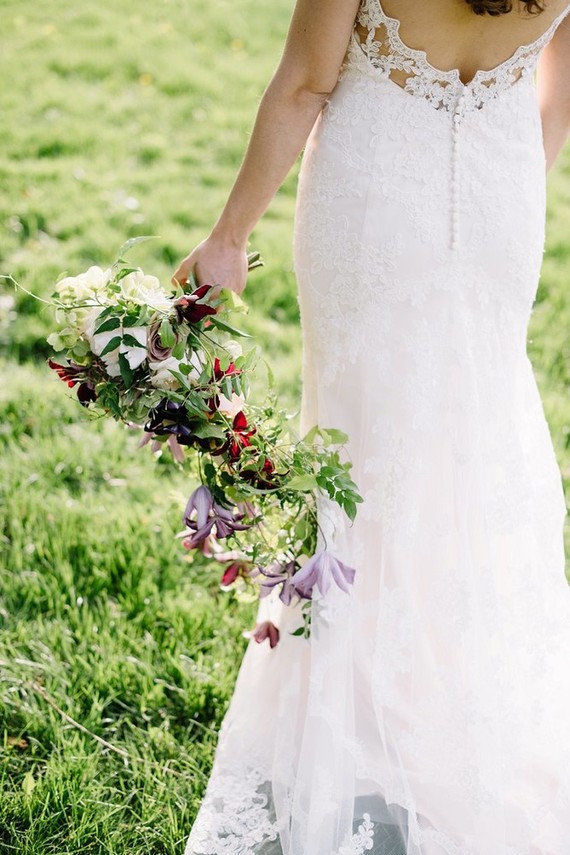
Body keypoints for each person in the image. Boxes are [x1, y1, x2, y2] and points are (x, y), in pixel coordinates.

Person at [175, 1, 570, 852]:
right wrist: (501, 171)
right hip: (503, 200)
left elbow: (305, 84)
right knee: (471, 449)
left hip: (373, 202)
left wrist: (228, 238)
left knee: (358, 459)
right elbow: (562, 84)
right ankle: (444, 725)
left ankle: (359, 737)